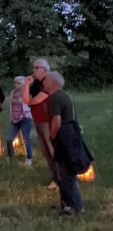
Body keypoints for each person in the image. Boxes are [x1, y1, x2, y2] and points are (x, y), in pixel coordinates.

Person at [45, 71, 91, 216]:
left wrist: (52, 136)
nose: (44, 83)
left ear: (53, 82)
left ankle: (76, 207)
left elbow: (56, 120)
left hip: (63, 138)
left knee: (65, 175)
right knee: (65, 173)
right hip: (72, 136)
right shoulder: (67, 95)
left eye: (46, 80)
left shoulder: (54, 97)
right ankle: (66, 205)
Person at [24, 59, 58, 189]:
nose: (33, 70)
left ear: (44, 69)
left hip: (48, 120)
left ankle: (60, 178)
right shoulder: (36, 84)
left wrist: (31, 100)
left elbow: (36, 100)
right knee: (45, 151)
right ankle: (55, 176)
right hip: (38, 120)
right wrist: (27, 85)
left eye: (36, 67)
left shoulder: (50, 82)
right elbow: (27, 100)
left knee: (52, 149)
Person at [7, 76, 33, 166]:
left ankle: (29, 159)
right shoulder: (12, 93)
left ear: (23, 85)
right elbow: (12, 106)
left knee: (26, 139)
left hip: (25, 117)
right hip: (14, 118)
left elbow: (31, 104)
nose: (15, 84)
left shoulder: (27, 93)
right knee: (9, 139)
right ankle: (10, 157)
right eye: (15, 82)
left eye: (18, 83)